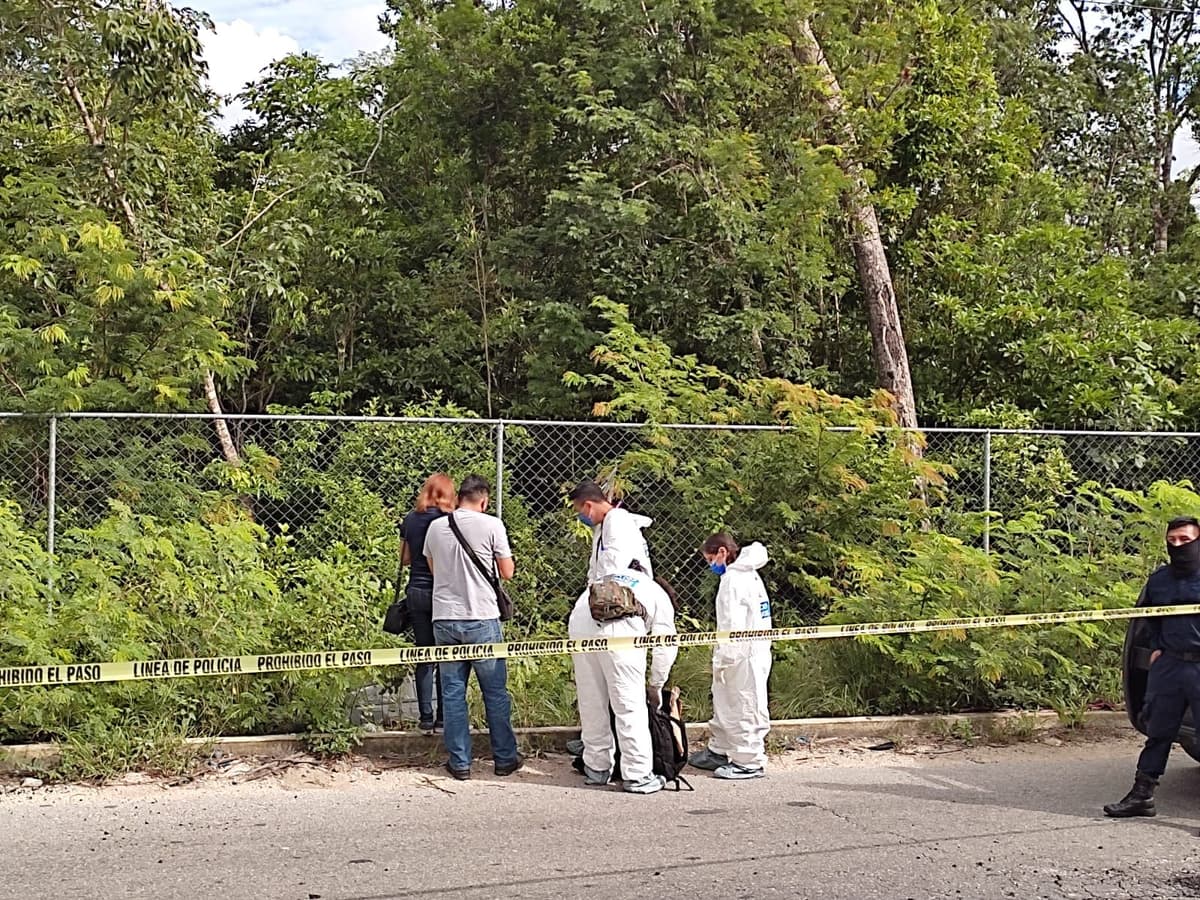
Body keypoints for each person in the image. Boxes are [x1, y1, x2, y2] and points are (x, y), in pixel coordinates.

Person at [424, 474, 522, 781]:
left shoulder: (436, 527)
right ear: (484, 500)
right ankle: (504, 758)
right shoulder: (492, 525)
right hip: (481, 616)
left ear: (458, 498)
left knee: (452, 693)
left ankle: (460, 762)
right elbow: (507, 572)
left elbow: (432, 568)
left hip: (444, 617)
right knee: (494, 692)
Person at [1104, 516, 1200, 818]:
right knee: (1159, 731)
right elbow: (1150, 616)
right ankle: (1142, 796)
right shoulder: (1159, 580)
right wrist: (1158, 645)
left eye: (1185, 540)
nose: (1178, 546)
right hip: (1170, 666)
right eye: (1172, 541)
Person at [568, 567, 678, 794]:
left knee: (591, 701)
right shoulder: (658, 594)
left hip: (580, 623)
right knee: (629, 705)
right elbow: (665, 646)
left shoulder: (610, 575)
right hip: (621, 630)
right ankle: (638, 775)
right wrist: (655, 686)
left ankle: (596, 768)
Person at [688, 534, 774, 780]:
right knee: (725, 702)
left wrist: (725, 657)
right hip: (748, 649)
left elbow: (731, 623)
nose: (710, 564)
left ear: (723, 552)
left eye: (710, 558)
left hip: (742, 653)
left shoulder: (733, 581)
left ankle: (749, 760)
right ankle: (720, 749)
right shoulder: (746, 573)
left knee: (745, 704)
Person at [399, 473, 455, 734]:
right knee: (446, 655)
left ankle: (425, 717)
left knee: (424, 654)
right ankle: (444, 717)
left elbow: (405, 559)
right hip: (442, 592)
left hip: (416, 592)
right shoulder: (448, 521)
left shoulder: (410, 519)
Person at [568, 481, 654, 581]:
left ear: (588, 506)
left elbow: (614, 566)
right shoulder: (603, 526)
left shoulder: (617, 520)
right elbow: (595, 569)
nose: (580, 517)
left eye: (580, 512)